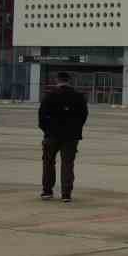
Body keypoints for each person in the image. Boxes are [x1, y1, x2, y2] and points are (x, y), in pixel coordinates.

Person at [38, 71, 89, 202]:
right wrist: (76, 129)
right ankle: (66, 194)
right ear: (69, 81)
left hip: (51, 135)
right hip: (71, 136)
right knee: (67, 164)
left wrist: (47, 130)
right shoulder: (78, 97)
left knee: (48, 163)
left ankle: (47, 191)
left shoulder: (49, 96)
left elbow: (41, 116)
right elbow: (84, 116)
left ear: (57, 80)